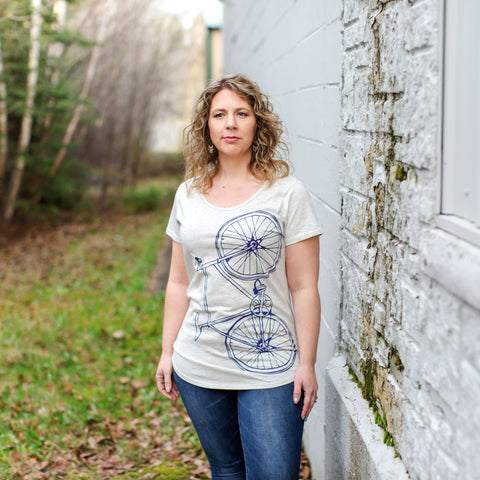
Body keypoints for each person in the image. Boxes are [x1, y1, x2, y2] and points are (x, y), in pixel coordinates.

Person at [155, 74, 322, 480]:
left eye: (241, 114)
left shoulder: (286, 192)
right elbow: (178, 281)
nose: (230, 123)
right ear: (207, 127)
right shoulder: (187, 194)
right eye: (220, 114)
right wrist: (166, 351)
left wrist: (308, 362)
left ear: (256, 124)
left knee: (273, 473)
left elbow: (304, 287)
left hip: (271, 365)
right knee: (227, 468)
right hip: (199, 360)